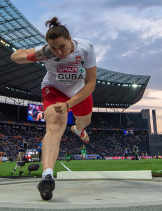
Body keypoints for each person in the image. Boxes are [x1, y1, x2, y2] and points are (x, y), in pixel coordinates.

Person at [10, 17, 97, 200]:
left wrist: (68, 105)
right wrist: (37, 55)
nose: (59, 52)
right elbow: (15, 56)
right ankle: (47, 176)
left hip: (79, 90)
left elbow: (90, 84)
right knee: (54, 128)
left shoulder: (86, 48)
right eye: (54, 48)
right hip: (53, 90)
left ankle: (78, 129)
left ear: (70, 39)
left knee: (85, 121)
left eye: (62, 47)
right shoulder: (47, 52)